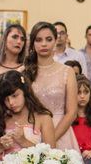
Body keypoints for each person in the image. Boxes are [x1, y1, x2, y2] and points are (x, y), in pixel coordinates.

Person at [25, 21, 79, 151]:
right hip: (31, 131)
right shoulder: (24, 72)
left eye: (48, 39)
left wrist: (51, 138)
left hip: (61, 131)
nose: (44, 44)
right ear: (33, 43)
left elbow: (72, 112)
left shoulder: (67, 72)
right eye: (38, 40)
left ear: (55, 41)